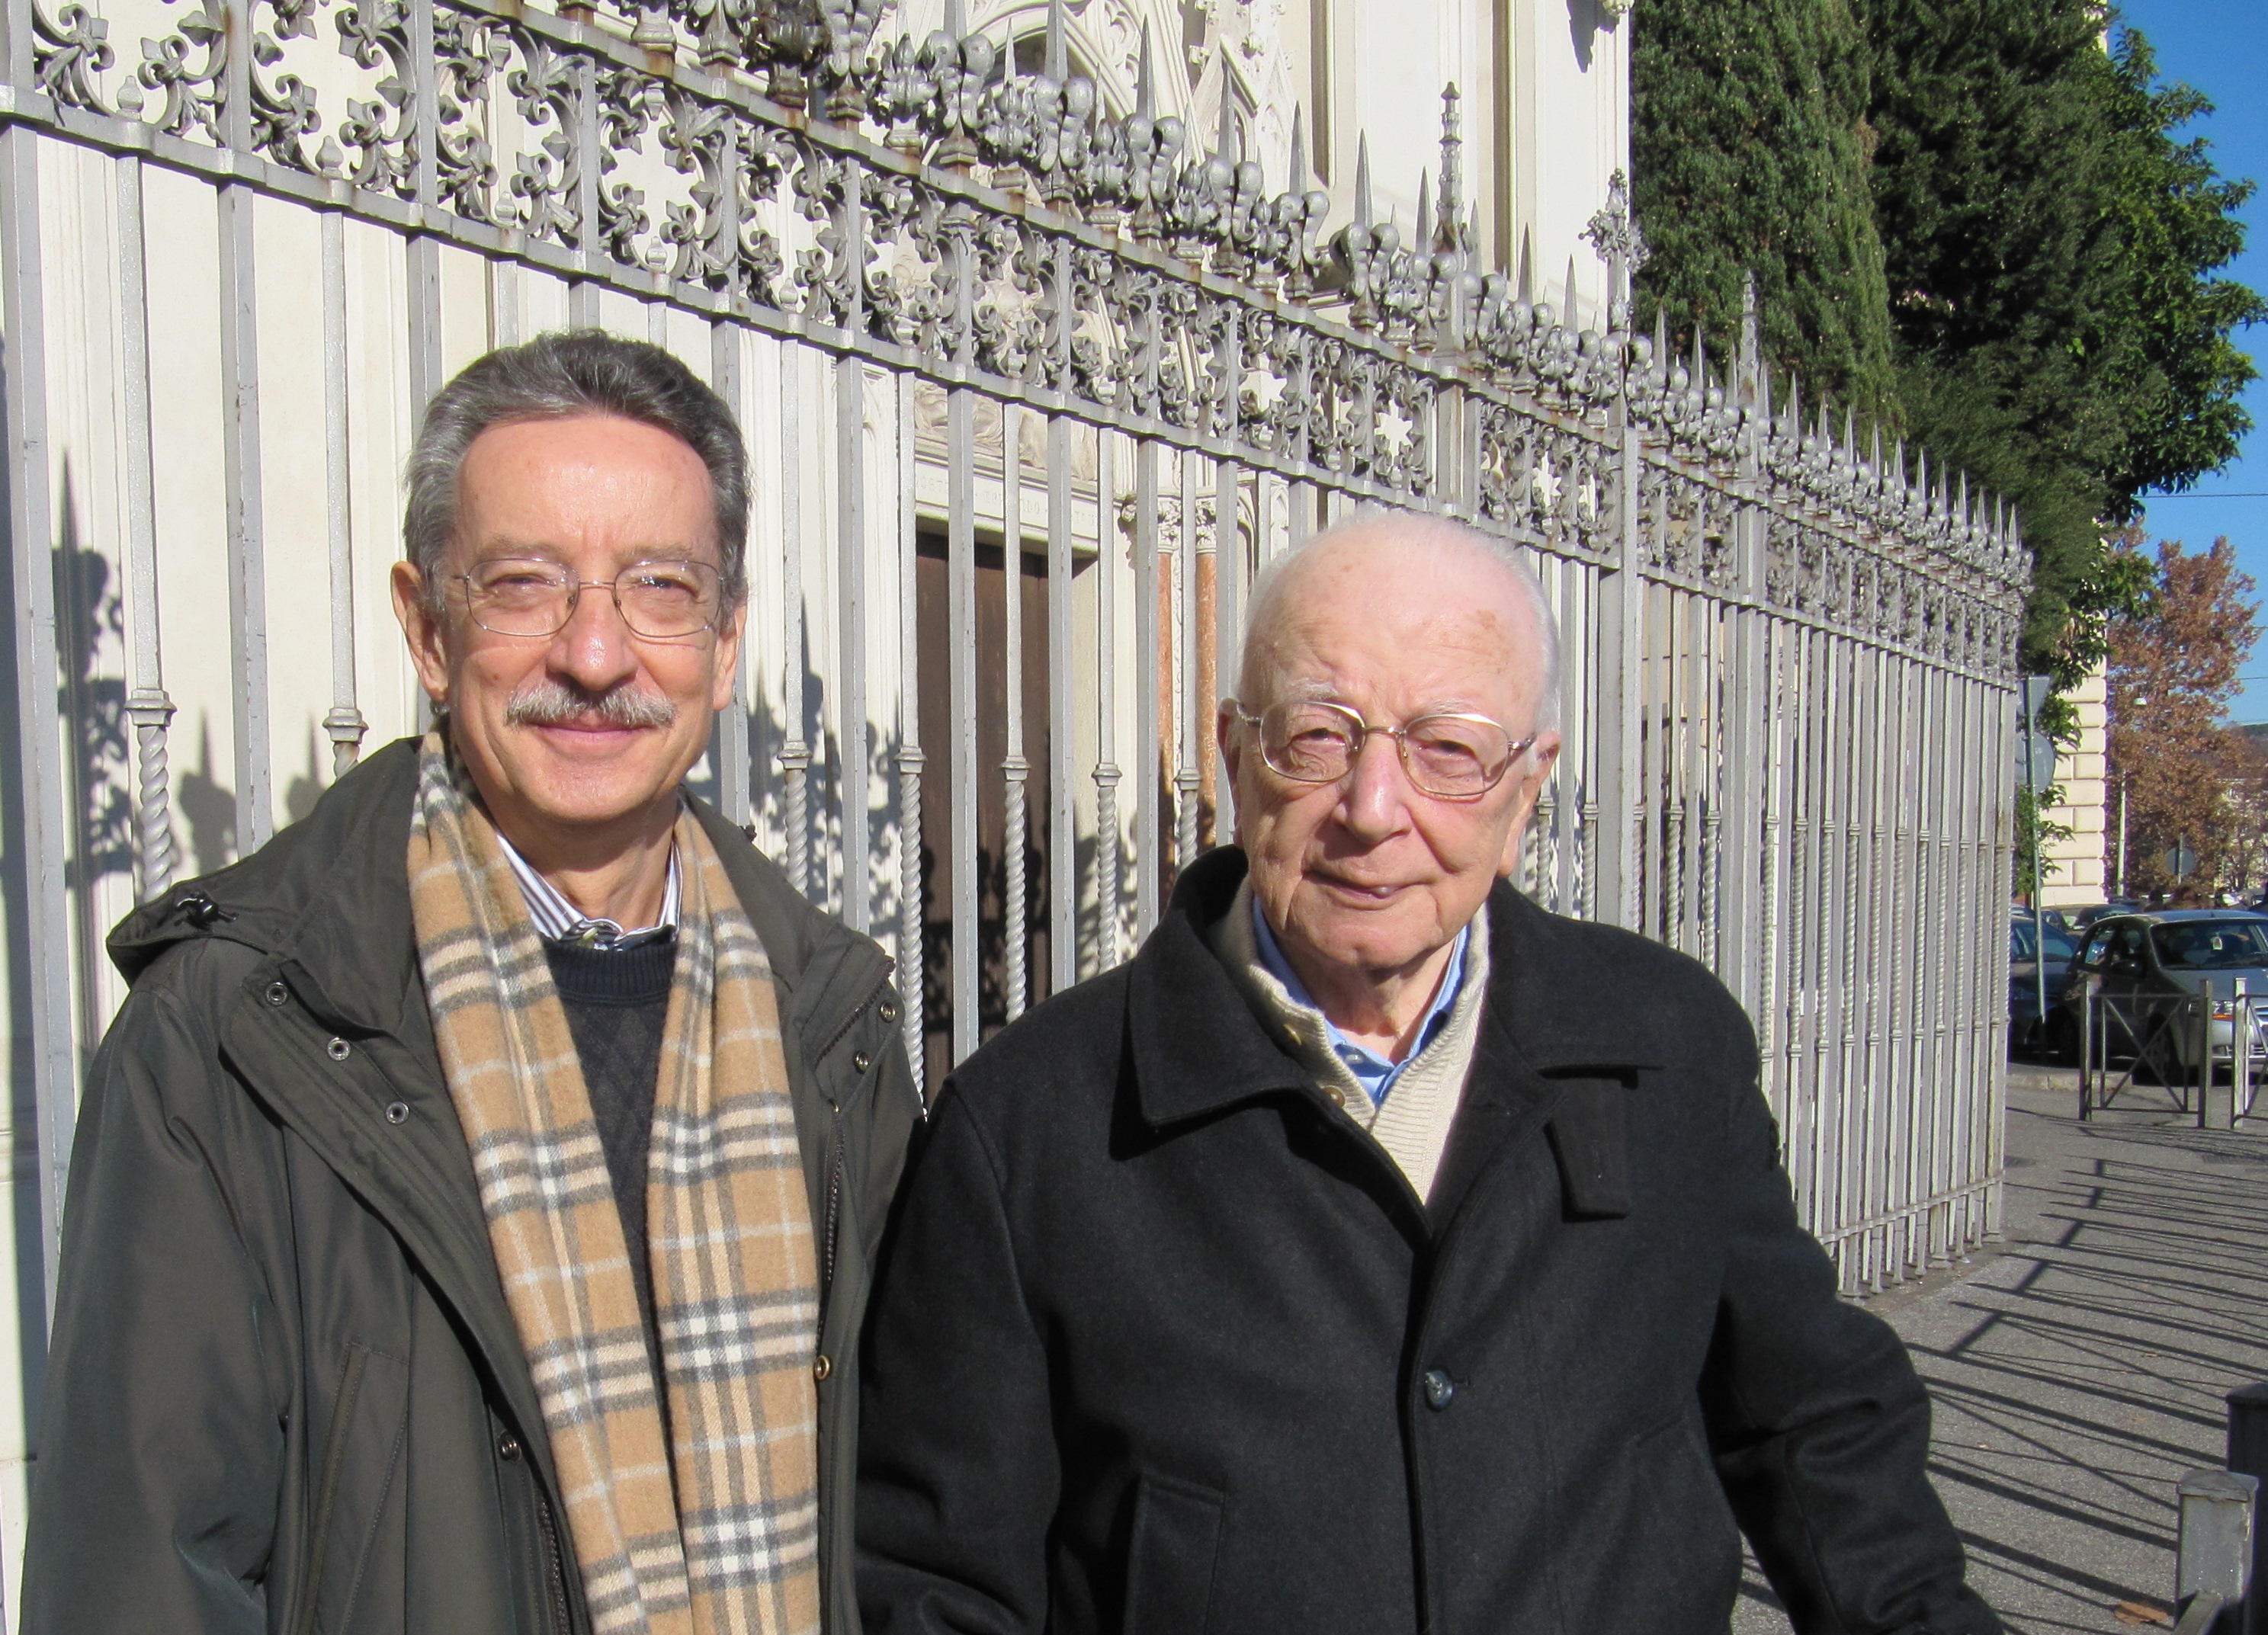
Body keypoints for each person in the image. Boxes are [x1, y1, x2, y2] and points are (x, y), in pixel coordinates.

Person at [855, 510, 2000, 1634]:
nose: (1372, 810)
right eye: (1318, 736)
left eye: (1447, 750)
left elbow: (1815, 1429)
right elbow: (937, 1584)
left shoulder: (1667, 1046)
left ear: (1527, 788)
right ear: (1236, 759)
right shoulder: (1029, 1129)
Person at [22, 332, 920, 1635]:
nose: (596, 653)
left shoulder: (833, 1032)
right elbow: (143, 1579)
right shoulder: (230, 1037)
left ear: (725, 643)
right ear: (426, 627)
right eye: (522, 585)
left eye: (660, 587)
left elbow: (904, 1522)